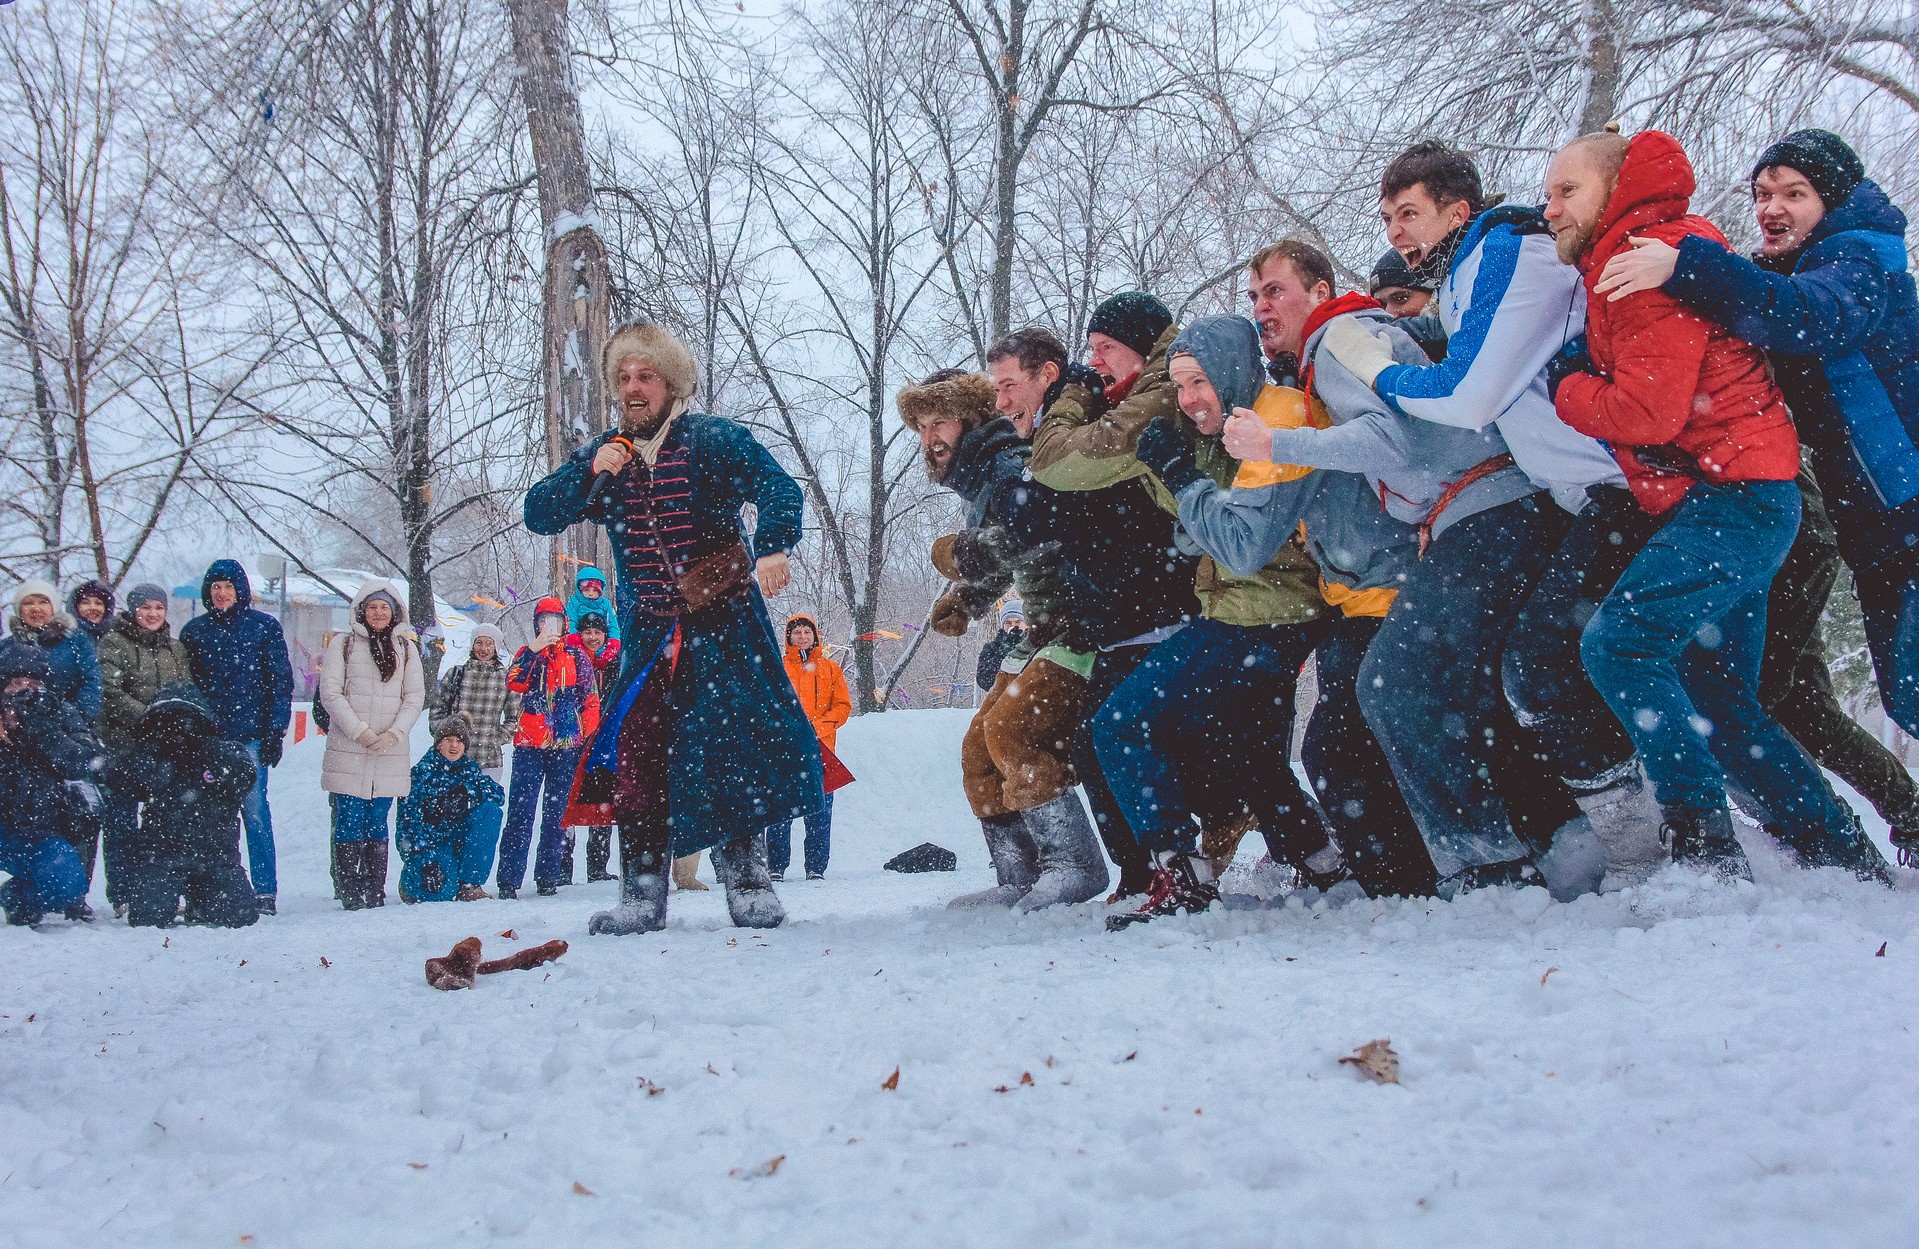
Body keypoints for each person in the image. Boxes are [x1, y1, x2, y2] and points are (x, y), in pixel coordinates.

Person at [1541, 128, 1889, 884]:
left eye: (1566, 190)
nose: (1551, 207)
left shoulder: (1643, 266)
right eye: (1547, 193)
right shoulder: (1636, 256)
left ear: (1613, 190)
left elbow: (1648, 412)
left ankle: (1701, 842)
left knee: (1618, 644)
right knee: (1720, 702)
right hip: (1739, 495)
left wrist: (1565, 385)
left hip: (1738, 497)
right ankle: (1843, 857)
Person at [1305, 141, 1624, 896]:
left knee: (1442, 675)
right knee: (1510, 671)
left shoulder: (1505, 250)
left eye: (1408, 213)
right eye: (1385, 217)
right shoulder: (1468, 277)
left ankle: (1550, 848)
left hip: (1602, 485)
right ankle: (1560, 844)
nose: (1394, 231)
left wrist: (1376, 368)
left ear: (1457, 211)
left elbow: (1468, 394)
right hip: (1571, 496)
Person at [525, 320, 823, 934]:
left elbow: (777, 487)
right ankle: (641, 894)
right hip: (647, 635)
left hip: (725, 628)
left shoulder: (712, 439)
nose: (633, 388)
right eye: (624, 377)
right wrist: (588, 472)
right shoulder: (606, 457)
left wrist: (771, 546)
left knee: (730, 750)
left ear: (671, 382)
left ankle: (746, 880)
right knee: (639, 757)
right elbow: (539, 513)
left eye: (646, 376)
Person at [1162, 248, 1439, 900]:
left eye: (1274, 290)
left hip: (1377, 590)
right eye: (1253, 292)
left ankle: (1409, 880)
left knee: (1335, 749)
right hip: (1345, 598)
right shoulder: (1298, 384)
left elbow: (1244, 541)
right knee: (1326, 747)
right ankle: (1379, 872)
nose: (1261, 303)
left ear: (1319, 289)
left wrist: (1189, 478)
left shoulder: (1307, 381)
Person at [1098, 314, 1352, 926]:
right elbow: (1199, 521)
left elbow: (1239, 537)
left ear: (1234, 371)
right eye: (1180, 385)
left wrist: (1178, 473)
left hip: (1261, 614)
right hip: (1259, 613)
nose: (1189, 399)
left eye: (1199, 382)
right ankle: (1325, 862)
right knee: (1249, 753)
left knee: (1121, 721)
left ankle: (1179, 872)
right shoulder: (1222, 437)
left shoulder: (1261, 428)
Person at [908, 368, 1109, 910]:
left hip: (1079, 622)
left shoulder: (1008, 463)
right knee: (978, 748)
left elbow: (1034, 533)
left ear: (971, 419)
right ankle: (1018, 875)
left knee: (1011, 729)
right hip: (1043, 629)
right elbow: (1012, 552)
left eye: (939, 422)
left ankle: (1073, 865)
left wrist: (964, 554)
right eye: (922, 427)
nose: (930, 439)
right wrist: (971, 598)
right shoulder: (982, 474)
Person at [179, 560, 294, 913]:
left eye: (228, 586)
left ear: (240, 590)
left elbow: (280, 682)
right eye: (215, 587)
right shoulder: (195, 632)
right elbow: (188, 687)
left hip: (251, 737)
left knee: (255, 813)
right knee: (207, 816)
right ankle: (210, 885)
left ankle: (264, 889)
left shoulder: (263, 628)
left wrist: (276, 730)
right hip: (208, 740)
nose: (221, 593)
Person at [102, 682, 259, 928]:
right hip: (162, 858)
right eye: (170, 725)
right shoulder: (154, 756)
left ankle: (200, 900)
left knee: (239, 916)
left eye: (185, 724)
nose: (178, 734)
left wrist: (207, 748)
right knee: (147, 919)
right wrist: (149, 749)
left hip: (215, 858)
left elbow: (244, 778)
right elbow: (119, 779)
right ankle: (193, 898)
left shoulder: (220, 752)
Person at [319, 579, 427, 909]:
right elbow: (331, 694)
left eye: (384, 607)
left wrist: (395, 732)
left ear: (394, 612)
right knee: (349, 819)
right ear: (361, 611)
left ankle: (374, 888)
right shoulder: (343, 645)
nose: (378, 613)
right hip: (350, 748)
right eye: (372, 607)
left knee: (377, 821)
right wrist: (359, 731)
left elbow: (415, 696)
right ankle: (351, 889)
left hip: (389, 750)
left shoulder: (407, 649)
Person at [2, 580, 105, 916]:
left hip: (54, 759)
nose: (35, 609)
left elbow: (91, 685)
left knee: (84, 810)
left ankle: (34, 894)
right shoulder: (7, 648)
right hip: (9, 812)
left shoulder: (75, 643)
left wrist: (57, 721)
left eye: (42, 602)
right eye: (28, 603)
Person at [97, 583, 193, 917]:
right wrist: (150, 717)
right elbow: (110, 691)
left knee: (163, 821)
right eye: (146, 607)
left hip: (165, 747)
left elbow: (184, 690)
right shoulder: (114, 642)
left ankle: (158, 888)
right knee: (122, 820)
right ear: (133, 609)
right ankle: (123, 891)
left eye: (159, 608)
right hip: (124, 744)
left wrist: (178, 723)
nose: (152, 614)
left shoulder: (175, 649)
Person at [498, 597, 600, 898]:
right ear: (537, 623)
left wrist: (586, 739)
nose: (550, 625)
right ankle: (509, 879)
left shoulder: (577, 656)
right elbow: (514, 682)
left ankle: (548, 877)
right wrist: (534, 648)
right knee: (520, 811)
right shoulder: (527, 653)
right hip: (530, 743)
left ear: (565, 623)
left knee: (556, 815)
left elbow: (590, 699)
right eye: (544, 620)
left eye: (555, 619)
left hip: (566, 745)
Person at [432, 623, 513, 899]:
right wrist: (446, 736)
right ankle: (450, 876)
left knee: (482, 821)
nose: (483, 648)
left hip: (489, 760)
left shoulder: (506, 677)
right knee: (451, 818)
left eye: (489, 644)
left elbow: (515, 718)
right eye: (479, 642)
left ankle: (472, 882)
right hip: (455, 759)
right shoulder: (457, 674)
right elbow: (436, 711)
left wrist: (497, 736)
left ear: (497, 647)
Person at [769, 613, 849, 880]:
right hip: (786, 749)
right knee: (782, 809)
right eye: (797, 633)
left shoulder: (830, 669)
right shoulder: (777, 667)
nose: (802, 637)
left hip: (821, 748)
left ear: (815, 636)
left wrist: (819, 726)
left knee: (820, 808)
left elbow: (843, 707)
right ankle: (776, 866)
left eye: (806, 632)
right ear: (788, 637)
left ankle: (816, 867)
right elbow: (769, 706)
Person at [396, 715, 505, 903]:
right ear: (438, 744)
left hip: (458, 842)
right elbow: (407, 826)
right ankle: (410, 883)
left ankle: (470, 884)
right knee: (440, 893)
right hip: (431, 846)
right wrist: (426, 859)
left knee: (490, 811)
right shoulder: (421, 774)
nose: (454, 746)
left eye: (459, 741)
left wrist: (467, 795)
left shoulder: (469, 769)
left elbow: (497, 794)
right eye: (448, 740)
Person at [565, 611, 623, 883]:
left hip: (605, 738)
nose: (592, 637)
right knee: (566, 800)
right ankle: (562, 867)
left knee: (600, 800)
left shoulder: (615, 662)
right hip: (573, 736)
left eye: (597, 632)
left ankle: (598, 867)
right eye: (587, 632)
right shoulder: (570, 660)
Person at [975, 601, 1027, 692]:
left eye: (1018, 622)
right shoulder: (991, 648)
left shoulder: (1036, 646)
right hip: (1001, 701)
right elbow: (984, 681)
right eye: (1008, 623)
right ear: (1003, 625)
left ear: (1026, 624)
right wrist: (1004, 651)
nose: (1013, 626)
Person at [567, 565, 621, 644]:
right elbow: (571, 621)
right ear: (580, 590)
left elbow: (612, 623)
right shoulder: (575, 602)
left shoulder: (605, 604)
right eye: (587, 590)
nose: (591, 593)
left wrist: (613, 640)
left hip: (601, 640)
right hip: (581, 640)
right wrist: (574, 637)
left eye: (595, 590)